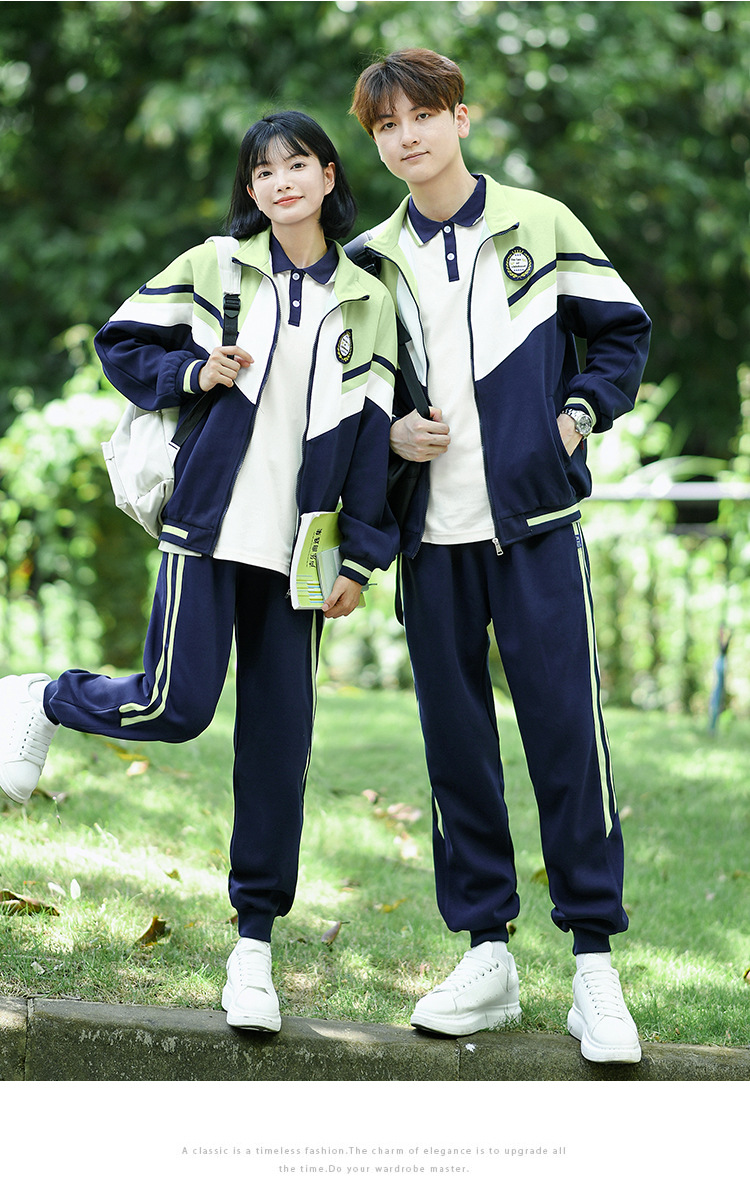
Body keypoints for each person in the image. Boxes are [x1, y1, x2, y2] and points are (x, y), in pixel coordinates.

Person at [0, 110, 398, 1033]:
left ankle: (253, 945)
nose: (281, 181)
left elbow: (375, 437)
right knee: (172, 708)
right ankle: (43, 695)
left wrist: (362, 555)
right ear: (251, 189)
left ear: (329, 176)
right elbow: (121, 343)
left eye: (298, 164)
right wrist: (194, 372)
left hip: (300, 557)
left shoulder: (367, 299)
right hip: (208, 531)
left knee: (278, 750)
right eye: (263, 171)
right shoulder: (214, 265)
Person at [348, 49, 651, 1063]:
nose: (406, 137)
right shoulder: (368, 261)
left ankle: (594, 967)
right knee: (456, 750)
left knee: (567, 738)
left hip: (535, 531)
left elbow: (621, 334)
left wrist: (577, 413)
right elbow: (346, 399)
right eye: (386, 125)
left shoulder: (541, 222)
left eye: (421, 115)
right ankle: (486, 953)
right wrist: (391, 435)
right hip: (430, 542)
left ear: (461, 118)